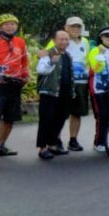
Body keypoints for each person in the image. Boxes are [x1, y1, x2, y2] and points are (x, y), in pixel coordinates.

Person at [44, 17, 90, 152]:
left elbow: (88, 60)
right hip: (62, 82)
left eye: (78, 27)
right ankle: (55, 140)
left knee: (77, 113)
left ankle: (73, 140)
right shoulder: (61, 40)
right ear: (66, 27)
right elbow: (46, 54)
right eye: (72, 27)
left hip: (81, 82)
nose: (75, 29)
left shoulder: (85, 42)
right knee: (59, 113)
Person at [0, 14, 30, 160]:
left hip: (15, 84)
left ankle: (0, 145)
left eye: (12, 24)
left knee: (10, 117)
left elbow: (24, 61)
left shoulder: (20, 42)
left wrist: (25, 75)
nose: (10, 26)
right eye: (6, 24)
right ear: (0, 27)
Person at [36, 31, 75, 160]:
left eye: (66, 39)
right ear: (54, 40)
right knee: (46, 120)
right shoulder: (47, 53)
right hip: (49, 92)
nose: (64, 42)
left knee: (60, 119)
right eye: (61, 39)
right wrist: (51, 62)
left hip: (64, 92)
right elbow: (41, 70)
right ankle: (42, 148)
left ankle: (52, 145)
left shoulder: (68, 55)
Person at [88, 27, 109, 152]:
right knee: (102, 115)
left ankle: (104, 139)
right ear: (101, 37)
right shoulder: (94, 51)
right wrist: (101, 55)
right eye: (106, 35)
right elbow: (95, 68)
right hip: (100, 88)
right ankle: (99, 142)